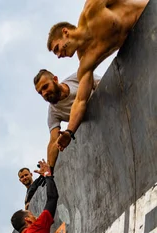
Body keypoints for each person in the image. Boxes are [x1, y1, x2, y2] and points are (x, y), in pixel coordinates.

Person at [47, 0, 149, 151]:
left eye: (57, 48)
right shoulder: (85, 63)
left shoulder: (92, 9)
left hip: (149, 12)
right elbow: (80, 101)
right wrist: (69, 132)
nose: (59, 55)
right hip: (146, 40)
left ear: (65, 32)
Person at [33, 69, 100, 171]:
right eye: (40, 93)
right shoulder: (53, 112)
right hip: (95, 129)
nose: (44, 93)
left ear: (55, 79)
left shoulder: (77, 77)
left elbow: (102, 85)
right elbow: (53, 141)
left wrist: (69, 131)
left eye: (45, 87)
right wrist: (49, 169)